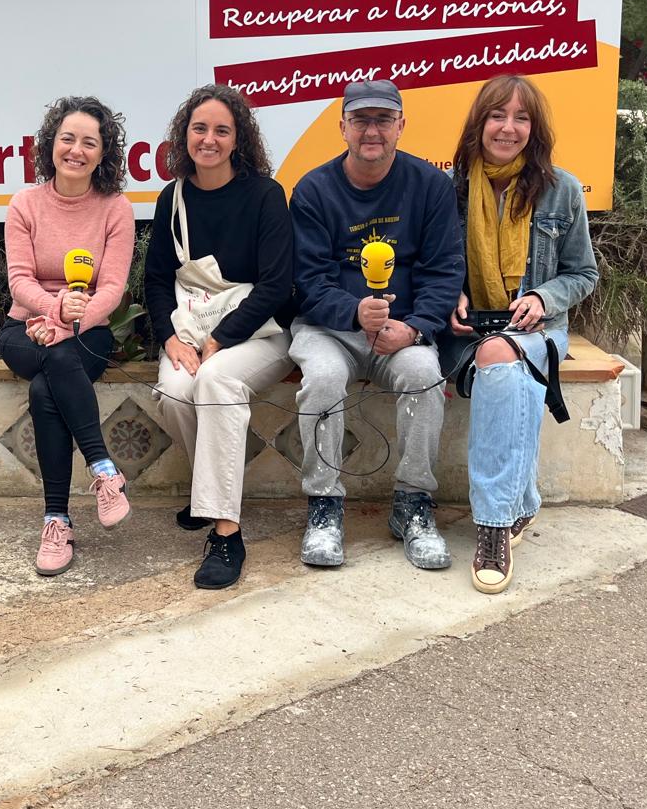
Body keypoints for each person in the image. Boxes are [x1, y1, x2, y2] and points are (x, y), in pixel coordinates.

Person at [288, 79, 463, 571]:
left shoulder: (430, 186)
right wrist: (352, 312)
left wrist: (416, 327)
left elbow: (444, 268)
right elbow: (307, 278)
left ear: (401, 126)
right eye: (361, 120)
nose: (372, 131)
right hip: (329, 328)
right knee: (321, 378)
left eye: (383, 120)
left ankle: (412, 505)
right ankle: (324, 507)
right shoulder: (314, 190)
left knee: (423, 374)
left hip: (402, 329)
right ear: (341, 126)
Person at [446, 75, 598, 594]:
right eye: (497, 115)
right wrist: (451, 295)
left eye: (521, 118)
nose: (508, 128)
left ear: (534, 129)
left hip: (538, 329)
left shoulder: (563, 189)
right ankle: (521, 502)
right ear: (479, 123)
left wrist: (541, 298)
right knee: (498, 362)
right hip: (466, 328)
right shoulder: (454, 187)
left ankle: (491, 527)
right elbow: (435, 263)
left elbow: (583, 274)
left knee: (502, 359)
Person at [146, 84, 295, 590]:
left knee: (215, 382)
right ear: (184, 135)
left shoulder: (265, 196)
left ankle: (226, 533)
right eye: (199, 128)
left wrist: (221, 340)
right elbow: (155, 278)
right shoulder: (173, 197)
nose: (208, 139)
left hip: (260, 332)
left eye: (221, 130)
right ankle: (211, 489)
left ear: (238, 140)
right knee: (172, 392)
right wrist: (169, 337)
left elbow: (277, 284)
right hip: (191, 325)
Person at [0, 95, 136, 577]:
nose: (76, 150)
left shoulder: (115, 208)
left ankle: (57, 519)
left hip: (88, 330)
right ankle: (104, 469)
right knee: (52, 360)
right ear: (50, 144)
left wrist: (68, 323)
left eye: (89, 142)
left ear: (103, 153)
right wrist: (54, 308)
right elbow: (18, 281)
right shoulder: (25, 204)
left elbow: (114, 288)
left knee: (47, 384)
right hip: (25, 326)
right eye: (67, 139)